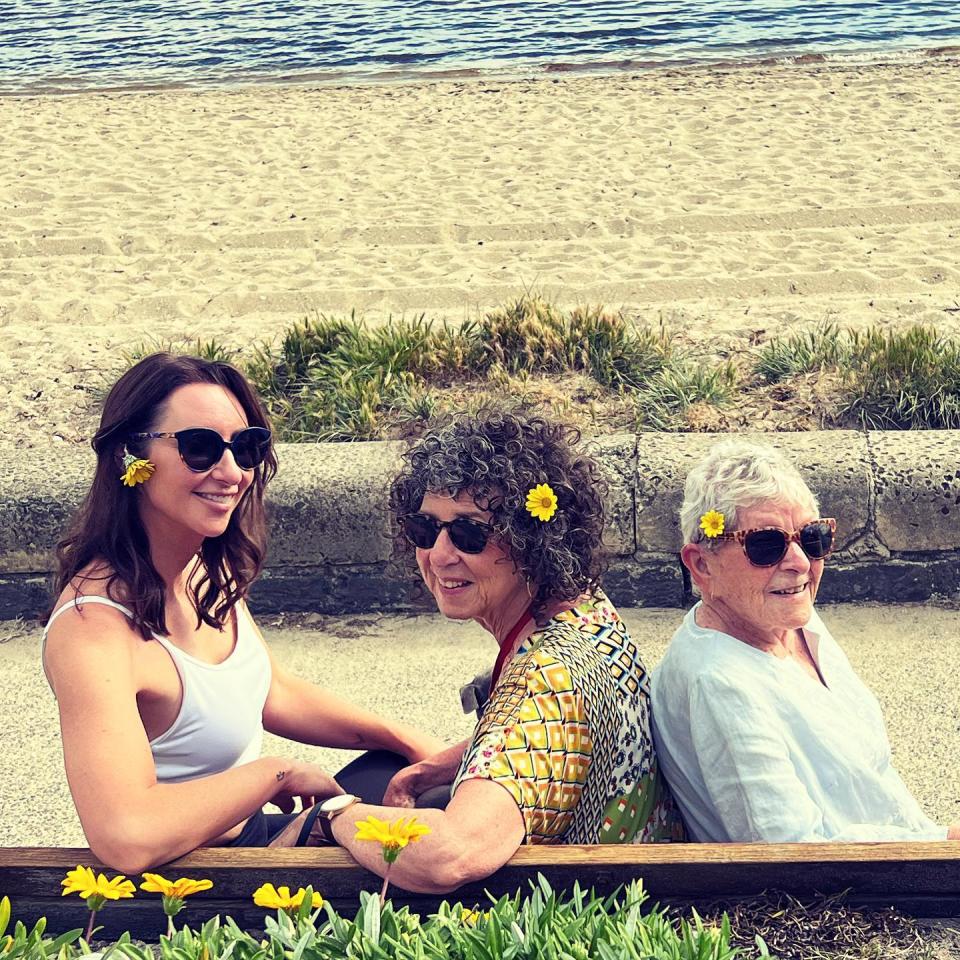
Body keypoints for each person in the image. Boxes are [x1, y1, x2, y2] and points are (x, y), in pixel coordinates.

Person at [43, 353, 441, 873]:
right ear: (129, 456)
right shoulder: (91, 631)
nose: (231, 472)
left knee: (421, 781)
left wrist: (406, 741)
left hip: (253, 836)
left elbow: (268, 689)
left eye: (246, 447)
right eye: (200, 448)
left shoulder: (202, 568)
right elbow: (126, 836)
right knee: (434, 839)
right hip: (195, 877)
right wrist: (276, 774)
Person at [273, 411, 681, 889]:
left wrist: (333, 816)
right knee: (387, 771)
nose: (440, 555)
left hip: (577, 907)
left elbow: (451, 854)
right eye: (425, 529)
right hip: (631, 871)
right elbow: (553, 743)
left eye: (470, 534)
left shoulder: (544, 681)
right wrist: (433, 767)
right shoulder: (584, 608)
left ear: (535, 542)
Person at [651, 438, 959, 843]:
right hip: (865, 893)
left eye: (812, 538)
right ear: (701, 565)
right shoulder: (720, 684)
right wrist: (944, 844)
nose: (799, 562)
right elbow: (790, 852)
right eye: (766, 544)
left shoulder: (793, 620)